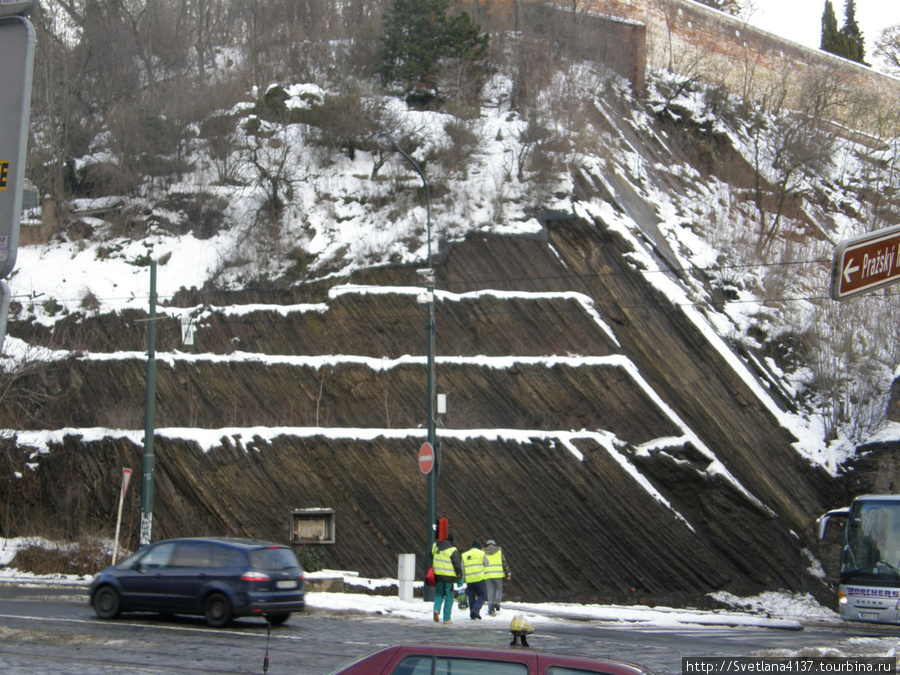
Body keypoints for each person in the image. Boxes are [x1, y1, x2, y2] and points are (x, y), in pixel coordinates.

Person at [431, 533, 463, 624]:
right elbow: (457, 565)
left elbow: (430, 557)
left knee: (438, 594)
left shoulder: (435, 546)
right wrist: (459, 577)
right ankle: (446, 619)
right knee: (449, 598)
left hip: (437, 576)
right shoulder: (453, 550)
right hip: (449, 578)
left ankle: (436, 610)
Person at [461, 540, 488, 620]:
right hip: (479, 578)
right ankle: (475, 609)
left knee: (471, 597)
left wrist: (462, 579)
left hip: (469, 579)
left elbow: (462, 568)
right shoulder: (481, 553)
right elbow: (487, 563)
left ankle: (472, 615)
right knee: (482, 596)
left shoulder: (464, 555)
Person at [483, 538, 509, 616]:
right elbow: (504, 563)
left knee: (490, 592)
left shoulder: (483, 552)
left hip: (487, 575)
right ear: (494, 545)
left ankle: (490, 610)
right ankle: (497, 602)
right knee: (499, 589)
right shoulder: (499, 551)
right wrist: (507, 573)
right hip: (498, 575)